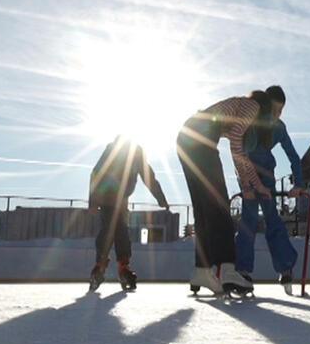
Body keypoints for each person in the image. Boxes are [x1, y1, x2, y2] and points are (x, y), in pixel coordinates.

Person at [177, 90, 275, 296]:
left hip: (186, 138)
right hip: (200, 140)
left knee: (204, 211)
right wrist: (251, 187)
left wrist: (255, 185)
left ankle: (202, 270)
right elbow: (237, 145)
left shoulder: (234, 109)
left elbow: (241, 155)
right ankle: (229, 269)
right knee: (220, 206)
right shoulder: (252, 106)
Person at [235, 85, 306, 295]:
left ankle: (285, 268)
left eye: (281, 111)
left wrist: (298, 183)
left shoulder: (280, 127)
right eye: (273, 110)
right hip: (248, 174)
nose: (276, 115)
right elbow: (238, 153)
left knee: (272, 218)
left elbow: (293, 156)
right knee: (248, 219)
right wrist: (246, 183)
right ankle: (243, 271)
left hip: (266, 176)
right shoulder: (252, 122)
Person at [88, 135, 169, 292]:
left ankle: (117, 265)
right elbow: (96, 173)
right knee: (113, 229)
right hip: (107, 196)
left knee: (120, 230)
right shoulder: (112, 151)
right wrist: (93, 201)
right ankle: (107, 264)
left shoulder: (137, 156)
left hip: (121, 200)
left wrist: (161, 199)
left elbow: (149, 178)